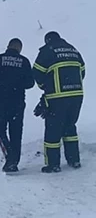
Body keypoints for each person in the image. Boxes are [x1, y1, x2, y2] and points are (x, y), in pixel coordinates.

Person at [32, 31, 86, 173]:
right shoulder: (73, 49)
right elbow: (83, 71)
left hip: (57, 96)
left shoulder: (47, 51)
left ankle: (53, 164)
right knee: (70, 127)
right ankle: (74, 160)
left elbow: (37, 73)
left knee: (53, 129)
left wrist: (46, 87)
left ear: (48, 40)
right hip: (77, 95)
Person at [0, 37, 35, 172]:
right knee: (16, 132)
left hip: (1, 101)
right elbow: (30, 83)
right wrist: (17, 85)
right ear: (19, 48)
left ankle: (9, 157)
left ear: (8, 46)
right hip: (17, 102)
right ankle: (14, 162)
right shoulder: (24, 61)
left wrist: (0, 84)